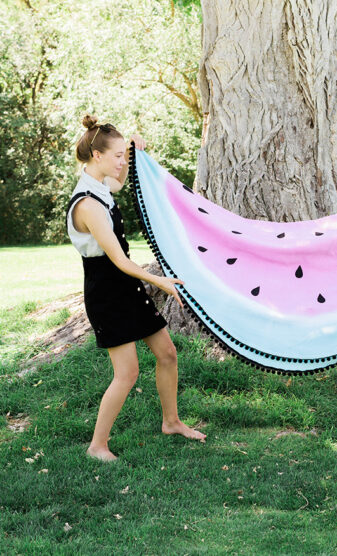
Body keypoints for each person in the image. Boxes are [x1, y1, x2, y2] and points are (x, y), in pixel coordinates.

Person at [67, 115, 206, 462]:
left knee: (168, 354)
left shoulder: (99, 184)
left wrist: (132, 152)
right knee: (127, 373)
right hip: (108, 293)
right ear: (96, 156)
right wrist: (158, 280)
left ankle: (171, 422)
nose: (120, 163)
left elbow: (120, 181)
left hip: (126, 287)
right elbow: (117, 259)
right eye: (116, 156)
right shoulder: (86, 203)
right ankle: (97, 446)